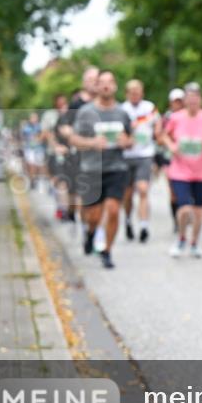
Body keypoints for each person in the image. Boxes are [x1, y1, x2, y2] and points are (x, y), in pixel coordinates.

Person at [67, 70, 132, 269]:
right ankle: (90, 233)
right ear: (96, 87)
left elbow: (131, 139)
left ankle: (107, 251)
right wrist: (93, 142)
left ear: (115, 86)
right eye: (101, 82)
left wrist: (126, 142)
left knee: (113, 211)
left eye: (109, 82)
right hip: (92, 168)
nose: (105, 86)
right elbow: (73, 139)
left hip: (116, 167)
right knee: (93, 215)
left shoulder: (122, 112)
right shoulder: (86, 112)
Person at [162, 83, 202, 258]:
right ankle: (181, 239)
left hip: (201, 171)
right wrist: (171, 145)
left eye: (196, 98)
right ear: (185, 100)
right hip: (180, 170)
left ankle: (194, 242)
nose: (193, 101)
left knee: (198, 210)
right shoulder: (176, 118)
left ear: (200, 100)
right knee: (184, 208)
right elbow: (164, 135)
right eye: (190, 98)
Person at [57, 67, 100, 226]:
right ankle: (86, 228)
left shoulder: (105, 103)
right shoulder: (76, 104)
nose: (94, 84)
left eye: (97, 80)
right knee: (82, 196)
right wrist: (74, 137)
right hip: (80, 156)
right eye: (91, 80)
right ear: (84, 83)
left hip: (101, 157)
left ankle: (95, 230)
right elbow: (64, 127)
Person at [121, 79, 160, 244]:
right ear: (127, 94)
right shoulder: (122, 109)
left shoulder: (149, 108)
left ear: (142, 93)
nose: (135, 95)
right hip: (126, 156)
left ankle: (144, 226)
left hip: (145, 154)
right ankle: (128, 220)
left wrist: (156, 133)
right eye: (132, 92)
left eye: (138, 91)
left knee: (143, 190)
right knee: (128, 194)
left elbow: (158, 125)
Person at [160, 88, 185, 231]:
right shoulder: (166, 118)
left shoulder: (188, 116)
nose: (178, 104)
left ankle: (183, 215)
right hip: (169, 157)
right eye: (175, 101)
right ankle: (176, 219)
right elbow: (160, 137)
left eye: (180, 101)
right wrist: (170, 144)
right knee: (173, 191)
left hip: (186, 158)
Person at [41, 94, 69, 219]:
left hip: (68, 152)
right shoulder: (49, 115)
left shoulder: (69, 114)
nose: (62, 104)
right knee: (58, 180)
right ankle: (61, 207)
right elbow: (47, 133)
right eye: (60, 102)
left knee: (66, 181)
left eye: (64, 102)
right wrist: (55, 147)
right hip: (53, 153)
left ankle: (65, 208)